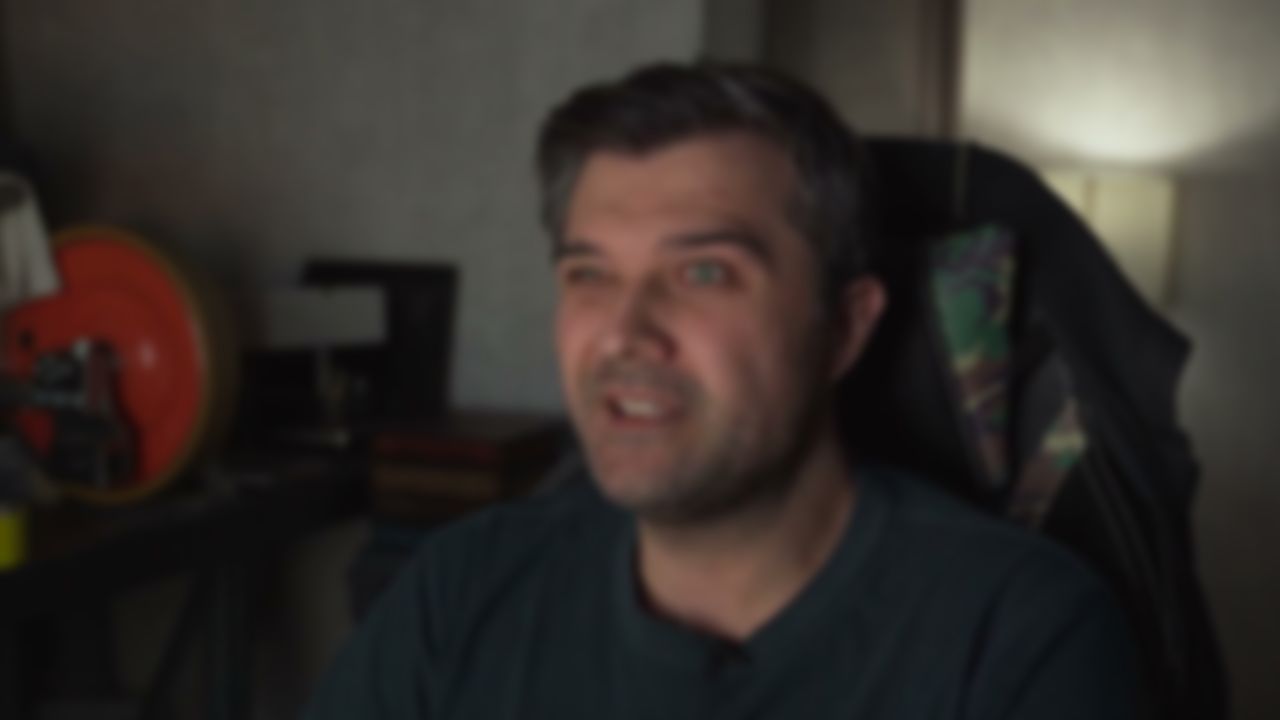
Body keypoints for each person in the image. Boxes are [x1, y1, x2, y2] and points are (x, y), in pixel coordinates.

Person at [304, 62, 1139, 719]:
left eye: (703, 272)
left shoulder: (1019, 634)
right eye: (590, 274)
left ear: (845, 327)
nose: (624, 334)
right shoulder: (463, 587)